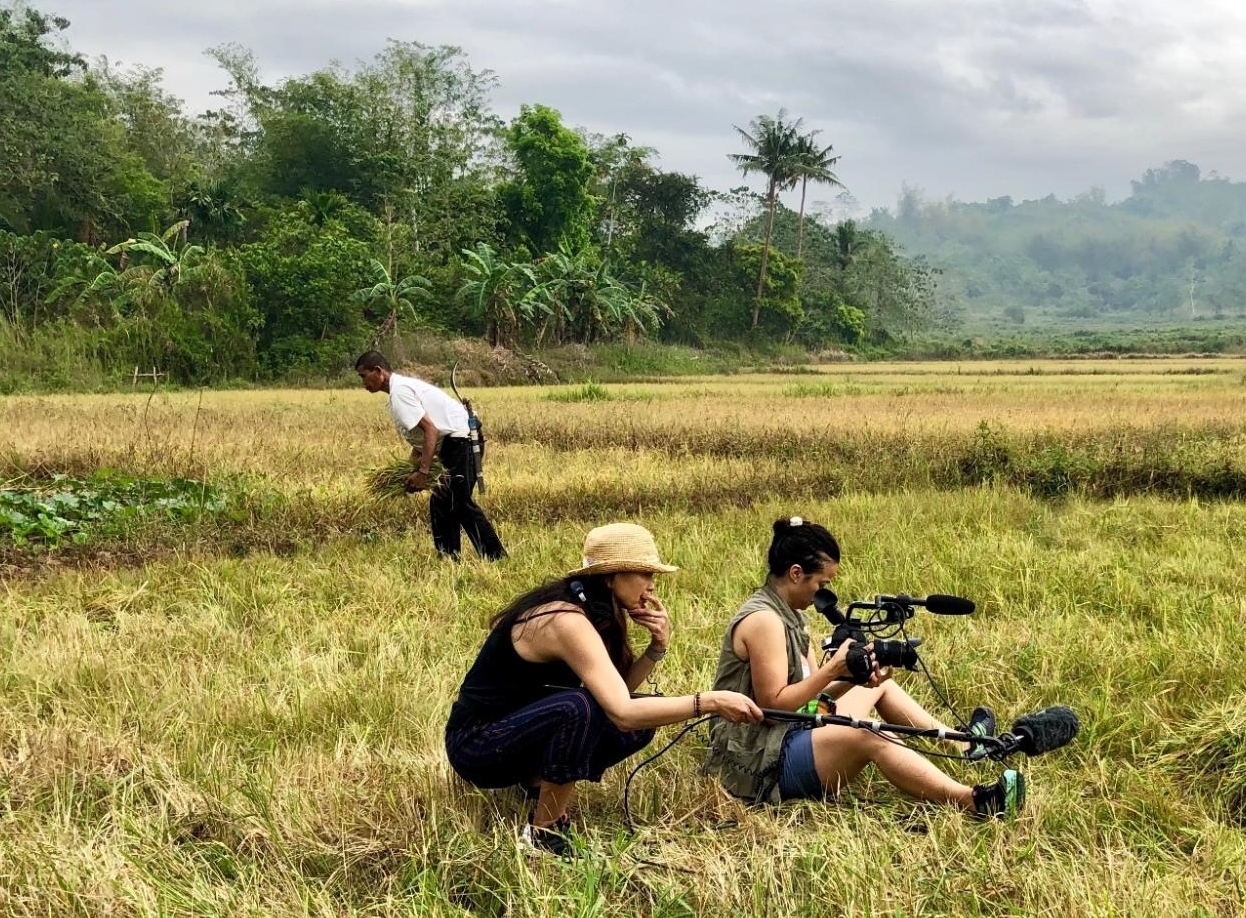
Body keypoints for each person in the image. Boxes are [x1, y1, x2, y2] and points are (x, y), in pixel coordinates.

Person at [444, 522, 764, 857]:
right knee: (579, 707)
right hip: (477, 744)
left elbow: (617, 693)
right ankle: (543, 833)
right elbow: (621, 712)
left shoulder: (595, 610)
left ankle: (538, 781)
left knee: (635, 716)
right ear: (611, 577)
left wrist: (657, 648)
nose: (652, 586)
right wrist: (709, 701)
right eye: (644, 573)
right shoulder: (566, 620)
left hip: (515, 733)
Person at [703, 517, 1025, 817]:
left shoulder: (791, 615)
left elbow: (811, 699)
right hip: (759, 756)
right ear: (796, 573)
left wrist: (853, 679)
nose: (823, 594)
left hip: (790, 730)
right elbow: (773, 708)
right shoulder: (764, 621)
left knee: (880, 686)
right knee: (870, 734)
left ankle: (965, 742)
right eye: (821, 584)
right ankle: (975, 801)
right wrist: (833, 670)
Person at [354, 351, 505, 561]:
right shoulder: (401, 390)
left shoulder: (400, 393)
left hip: (461, 441)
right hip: (454, 443)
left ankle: (495, 557)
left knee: (459, 502)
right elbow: (421, 441)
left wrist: (423, 472)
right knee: (442, 502)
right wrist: (410, 471)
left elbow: (431, 431)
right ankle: (449, 559)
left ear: (378, 372)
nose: (363, 383)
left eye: (363, 376)